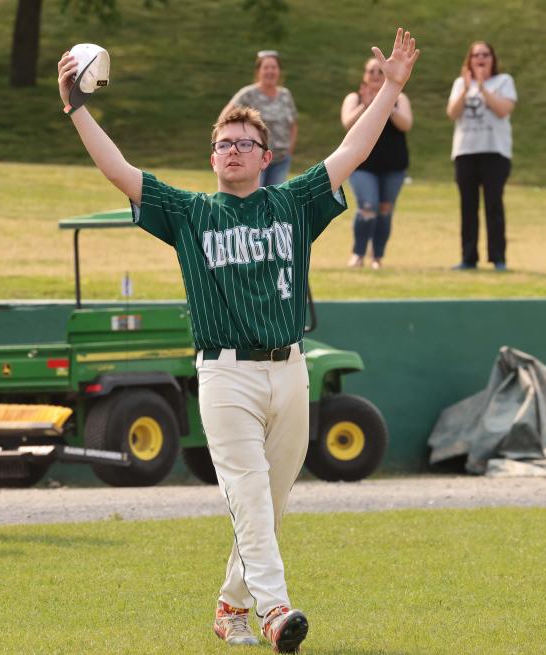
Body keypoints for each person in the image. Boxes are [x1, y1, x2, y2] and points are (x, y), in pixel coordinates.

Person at [57, 28, 419, 653]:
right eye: (222, 143)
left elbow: (353, 151)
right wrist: (76, 108)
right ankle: (277, 613)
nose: (230, 150)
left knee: (269, 507)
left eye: (243, 143)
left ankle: (231, 607)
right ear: (213, 156)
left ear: (263, 153)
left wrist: (389, 89)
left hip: (290, 371)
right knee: (249, 495)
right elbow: (120, 170)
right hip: (225, 376)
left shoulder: (294, 202)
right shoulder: (192, 212)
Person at [446, 41, 516, 271]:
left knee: (493, 204)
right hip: (466, 152)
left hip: (495, 152)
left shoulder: (504, 81)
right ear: (470, 59)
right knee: (468, 205)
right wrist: (467, 89)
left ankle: (498, 258)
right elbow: (452, 113)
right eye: (476, 55)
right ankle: (468, 258)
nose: (481, 58)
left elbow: (503, 110)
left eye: (485, 54)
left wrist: (483, 87)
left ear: (492, 58)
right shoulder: (460, 83)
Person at [340, 57, 412, 269]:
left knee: (385, 209)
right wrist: (366, 105)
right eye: (371, 71)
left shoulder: (400, 98)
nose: (375, 75)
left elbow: (406, 124)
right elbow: (347, 122)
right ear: (364, 75)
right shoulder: (354, 98)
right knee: (368, 207)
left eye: (379, 72)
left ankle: (377, 257)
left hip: (393, 166)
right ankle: (358, 254)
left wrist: (387, 103)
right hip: (362, 165)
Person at [229, 51, 298, 186]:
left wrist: (290, 149)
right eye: (266, 67)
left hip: (281, 159)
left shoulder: (285, 95)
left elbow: (293, 123)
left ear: (279, 71)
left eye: (274, 67)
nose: (270, 71)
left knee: (274, 199)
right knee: (255, 197)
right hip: (255, 158)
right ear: (258, 71)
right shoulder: (248, 94)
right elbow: (225, 117)